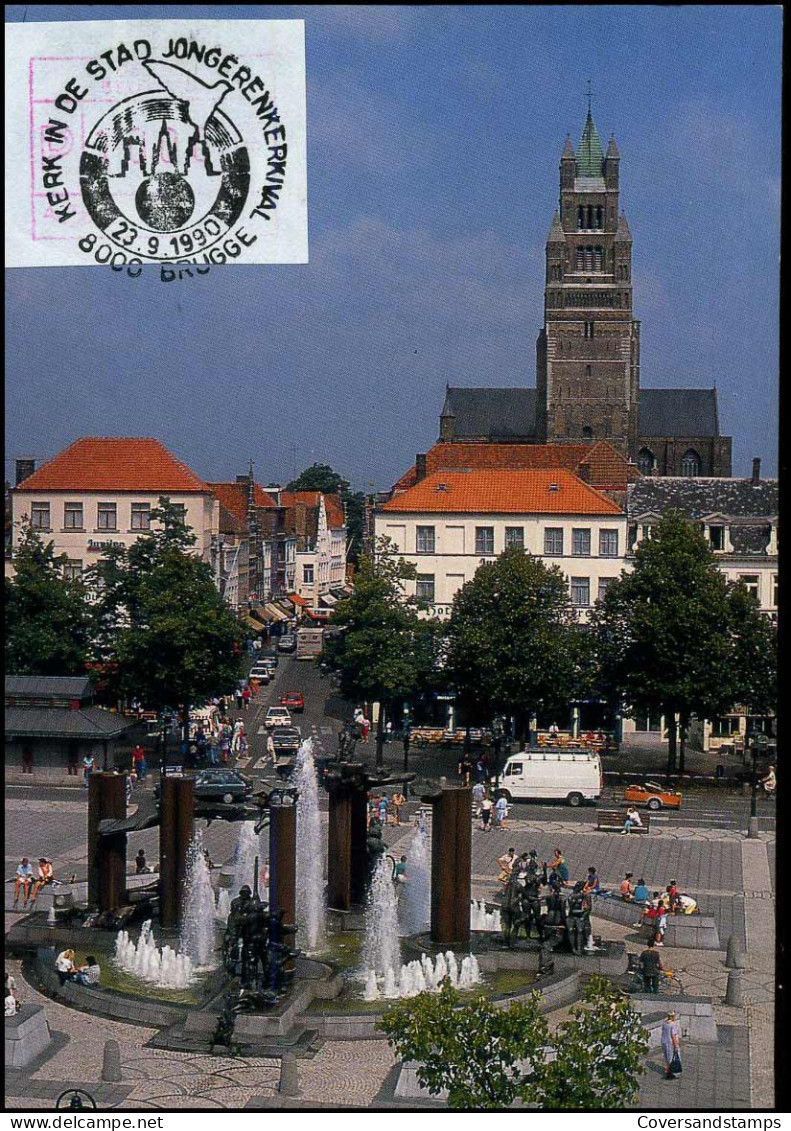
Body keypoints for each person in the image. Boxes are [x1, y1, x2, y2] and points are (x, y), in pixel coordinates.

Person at [661, 1013, 682, 1078]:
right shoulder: (673, 1025)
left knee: (667, 1057)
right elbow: (673, 1036)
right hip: (670, 1043)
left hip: (664, 1042)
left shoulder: (664, 1023)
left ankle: (668, 1070)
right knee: (672, 1058)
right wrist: (676, 1046)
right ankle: (671, 1073)